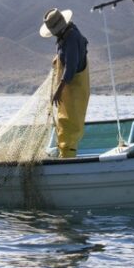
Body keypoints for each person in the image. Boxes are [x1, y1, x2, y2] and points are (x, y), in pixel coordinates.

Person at [40, 8, 89, 158]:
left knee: (70, 127)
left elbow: (71, 66)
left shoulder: (72, 37)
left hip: (75, 90)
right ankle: (64, 154)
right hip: (69, 90)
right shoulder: (65, 36)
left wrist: (59, 89)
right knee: (62, 123)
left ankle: (68, 161)